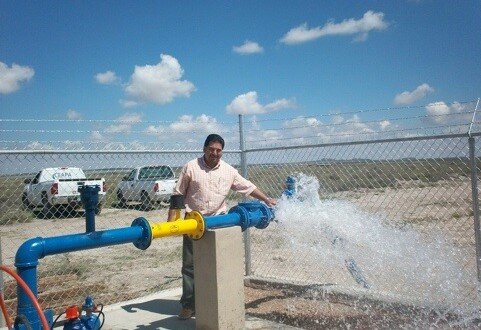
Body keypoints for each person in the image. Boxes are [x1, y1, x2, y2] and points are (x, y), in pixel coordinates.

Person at [167, 133, 277, 320]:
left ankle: (216, 302)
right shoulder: (191, 167)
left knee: (218, 265)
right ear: (204, 149)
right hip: (193, 223)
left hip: (219, 223)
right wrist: (172, 222)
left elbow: (247, 187)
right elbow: (178, 194)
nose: (215, 153)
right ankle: (188, 305)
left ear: (222, 152)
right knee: (190, 266)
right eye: (211, 149)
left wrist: (267, 199)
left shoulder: (228, 171)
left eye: (218, 151)